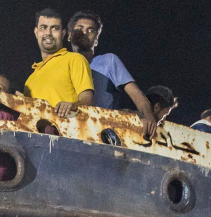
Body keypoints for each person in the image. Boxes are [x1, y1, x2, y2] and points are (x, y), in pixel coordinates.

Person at [68, 10, 160, 139]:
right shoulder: (61, 65)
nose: (85, 32)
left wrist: (148, 116)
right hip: (69, 130)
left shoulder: (108, 61)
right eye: (80, 28)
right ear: (69, 35)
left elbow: (135, 93)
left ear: (96, 40)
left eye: (91, 30)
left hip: (101, 134)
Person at [22, 8, 94, 114]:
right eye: (43, 27)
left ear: (63, 33)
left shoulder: (74, 59)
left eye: (55, 28)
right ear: (36, 32)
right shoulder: (30, 79)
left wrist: (72, 106)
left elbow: (87, 97)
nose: (48, 33)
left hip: (68, 128)